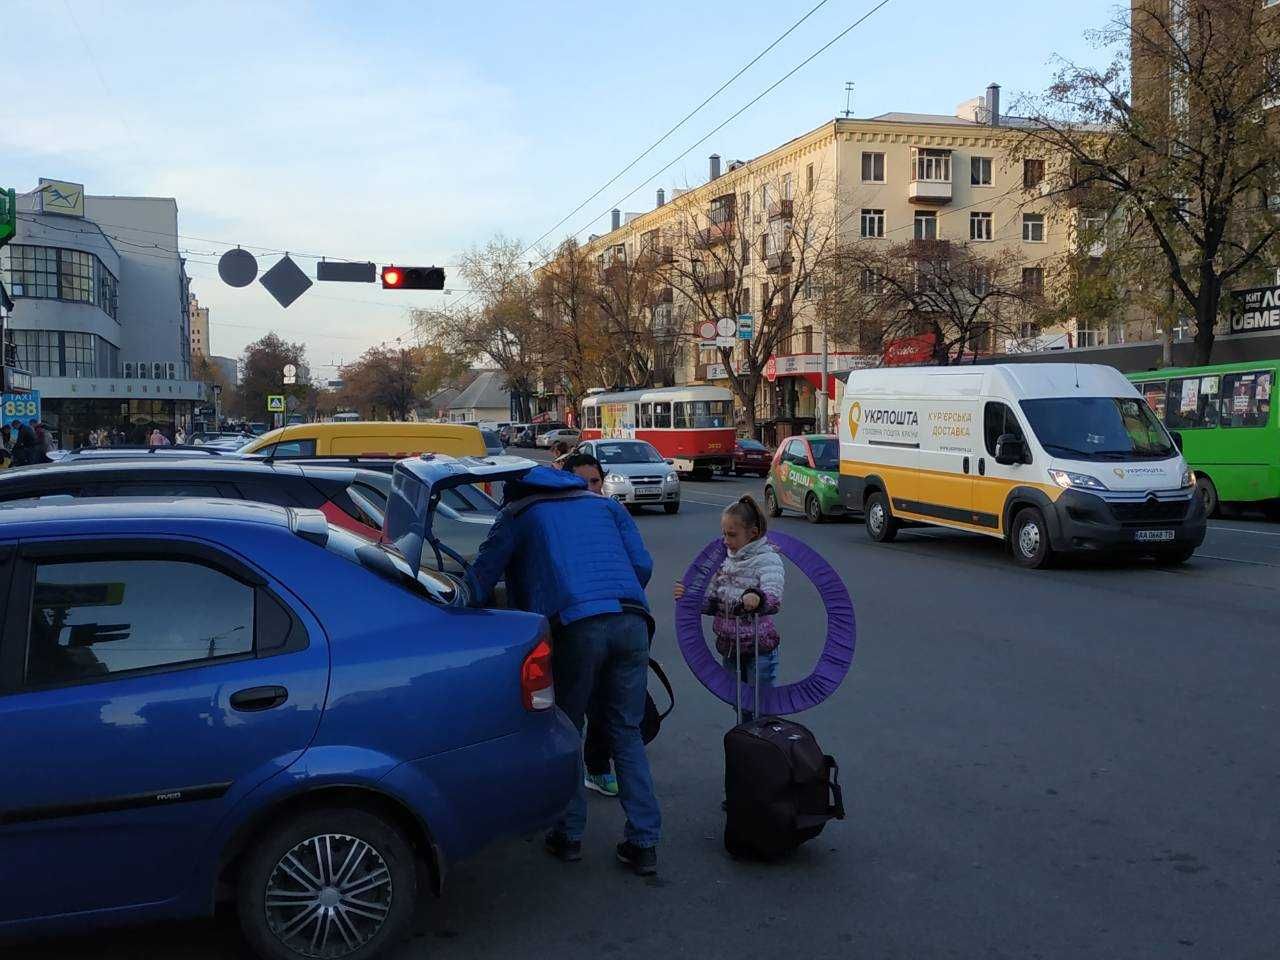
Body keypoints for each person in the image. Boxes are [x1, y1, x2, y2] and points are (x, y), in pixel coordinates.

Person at [465, 463, 662, 875]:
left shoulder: (517, 515)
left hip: (575, 624)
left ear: (513, 491)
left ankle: (569, 833)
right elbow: (641, 566)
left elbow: (478, 583)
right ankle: (644, 841)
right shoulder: (604, 506)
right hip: (632, 619)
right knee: (625, 729)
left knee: (567, 729)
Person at [674, 495, 784, 723]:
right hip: (730, 647)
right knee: (738, 702)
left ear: (752, 533)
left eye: (731, 535)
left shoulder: (768, 559)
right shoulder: (723, 560)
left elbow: (773, 598)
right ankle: (746, 745)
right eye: (724, 533)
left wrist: (757, 598)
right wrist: (690, 599)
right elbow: (714, 602)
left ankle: (764, 746)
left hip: (758, 647)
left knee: (759, 705)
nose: (725, 540)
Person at [560, 452, 618, 796]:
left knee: (606, 705)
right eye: (582, 483)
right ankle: (566, 794)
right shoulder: (557, 518)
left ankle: (597, 768)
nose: (590, 489)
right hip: (573, 625)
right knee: (571, 712)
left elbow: (637, 565)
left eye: (595, 482)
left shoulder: (611, 513)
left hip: (612, 620)